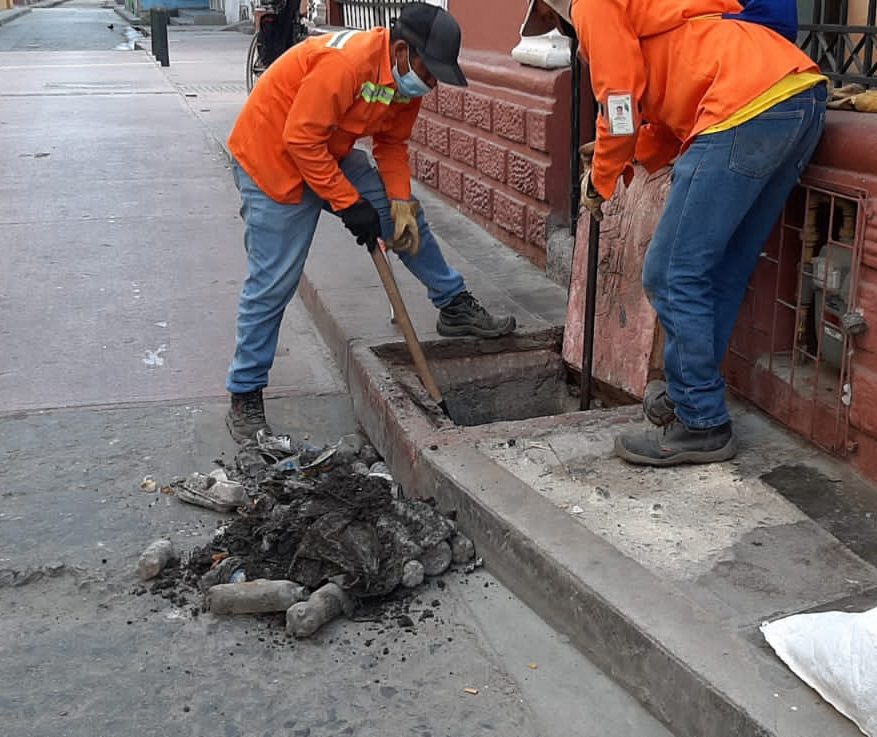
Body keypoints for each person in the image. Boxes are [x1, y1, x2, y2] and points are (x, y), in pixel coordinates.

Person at [521, 0, 826, 467]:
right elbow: (663, 118)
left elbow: (619, 99)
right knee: (720, 271)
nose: (573, 37)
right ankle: (690, 395)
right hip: (795, 92)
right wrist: (619, 154)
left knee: (670, 273)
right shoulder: (651, 11)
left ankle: (702, 421)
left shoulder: (590, 4)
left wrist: (602, 177)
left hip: (741, 105)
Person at [224, 2, 516, 443]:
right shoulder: (346, 64)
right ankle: (245, 394)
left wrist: (397, 203)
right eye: (429, 71)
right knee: (273, 282)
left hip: (329, 151)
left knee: (408, 220)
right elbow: (300, 139)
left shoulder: (405, 84)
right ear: (401, 51)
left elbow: (392, 144)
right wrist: (348, 204)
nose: (431, 83)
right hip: (272, 160)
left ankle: (454, 304)